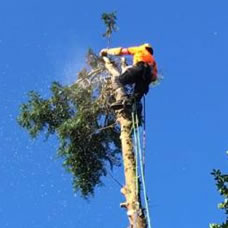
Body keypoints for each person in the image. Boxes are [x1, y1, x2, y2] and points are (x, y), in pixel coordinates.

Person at [100, 43, 158, 109]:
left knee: (117, 80)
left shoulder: (140, 49)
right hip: (147, 77)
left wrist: (107, 51)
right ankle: (134, 105)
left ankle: (122, 98)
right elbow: (154, 77)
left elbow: (122, 51)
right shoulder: (153, 61)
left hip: (138, 68)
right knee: (135, 99)